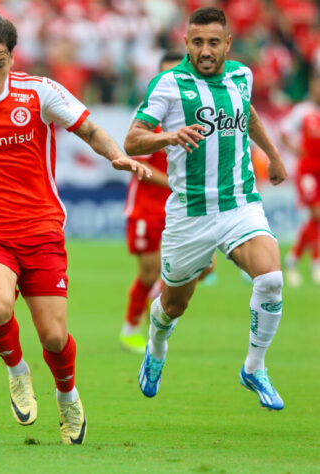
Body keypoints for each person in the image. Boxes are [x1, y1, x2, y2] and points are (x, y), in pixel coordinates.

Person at [0, 13, 150, 444]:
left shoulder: (39, 92)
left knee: (55, 337)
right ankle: (17, 370)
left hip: (41, 228)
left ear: (11, 58)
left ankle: (66, 395)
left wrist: (115, 154)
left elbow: (91, 129)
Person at [125, 7, 288, 410]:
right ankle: (157, 346)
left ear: (227, 43)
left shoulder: (241, 76)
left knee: (271, 279)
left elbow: (246, 115)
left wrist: (273, 154)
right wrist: (168, 137)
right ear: (186, 43)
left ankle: (254, 367)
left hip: (240, 205)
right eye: (197, 42)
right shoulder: (168, 85)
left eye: (214, 42)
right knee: (173, 305)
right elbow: (131, 141)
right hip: (190, 214)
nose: (206, 50)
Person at [120, 51, 217, 354]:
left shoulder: (197, 109)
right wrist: (177, 184)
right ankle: (130, 328)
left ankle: (158, 312)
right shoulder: (150, 115)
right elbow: (139, 167)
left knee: (204, 268)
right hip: (148, 208)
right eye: (165, 74)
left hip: (182, 206)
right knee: (149, 273)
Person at [280, 76, 320, 287]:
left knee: (315, 219)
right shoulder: (303, 111)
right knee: (316, 213)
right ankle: (315, 262)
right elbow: (283, 131)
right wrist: (296, 151)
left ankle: (293, 259)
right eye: (316, 84)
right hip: (308, 173)